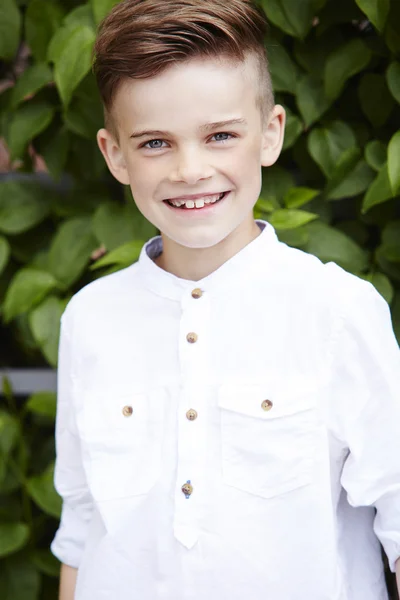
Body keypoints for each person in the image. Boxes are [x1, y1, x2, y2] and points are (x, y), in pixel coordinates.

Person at [50, 0, 400, 598]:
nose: (191, 169)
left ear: (270, 134)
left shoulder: (339, 310)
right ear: (114, 155)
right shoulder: (90, 318)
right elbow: (83, 527)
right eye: (156, 142)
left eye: (219, 136)